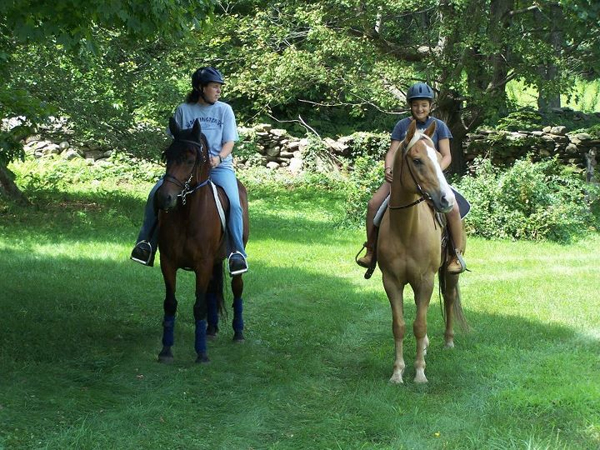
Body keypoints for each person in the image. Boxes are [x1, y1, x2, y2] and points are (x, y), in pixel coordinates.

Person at [130, 66, 248, 276]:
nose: (218, 91)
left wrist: (218, 157)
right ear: (200, 88)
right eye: (214, 87)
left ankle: (236, 253)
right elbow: (177, 140)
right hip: (188, 168)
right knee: (154, 195)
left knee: (235, 203)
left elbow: (230, 141)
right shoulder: (184, 110)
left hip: (219, 167)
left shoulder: (224, 110)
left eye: (219, 87)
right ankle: (145, 243)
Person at [355, 81, 467, 274]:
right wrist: (388, 168)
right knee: (373, 204)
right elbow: (392, 151)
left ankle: (455, 254)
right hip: (402, 178)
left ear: (430, 106)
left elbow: (447, 155)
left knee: (454, 208)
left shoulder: (438, 126)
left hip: (431, 177)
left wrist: (435, 170)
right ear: (410, 106)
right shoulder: (403, 126)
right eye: (416, 105)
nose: (420, 108)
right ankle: (371, 250)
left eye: (424, 104)